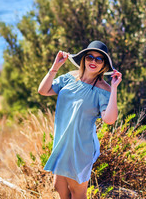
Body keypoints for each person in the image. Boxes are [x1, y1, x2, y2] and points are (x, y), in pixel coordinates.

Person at [38, 41, 122, 199]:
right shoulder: (70, 76)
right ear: (83, 58)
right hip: (62, 141)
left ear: (104, 65)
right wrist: (55, 67)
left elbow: (109, 119)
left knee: (78, 192)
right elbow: (43, 90)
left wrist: (114, 88)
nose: (93, 61)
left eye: (99, 59)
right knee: (59, 186)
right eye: (90, 57)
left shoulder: (104, 89)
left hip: (81, 147)